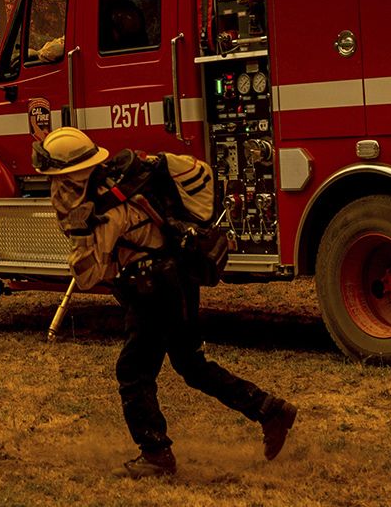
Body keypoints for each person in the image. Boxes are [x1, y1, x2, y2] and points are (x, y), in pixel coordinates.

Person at [34, 126, 296, 478]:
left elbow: (88, 276)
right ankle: (270, 410)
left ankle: (156, 454)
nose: (56, 189)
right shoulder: (124, 183)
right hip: (177, 279)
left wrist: (83, 241)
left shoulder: (108, 208)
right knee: (190, 364)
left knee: (133, 371)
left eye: (57, 179)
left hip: (152, 287)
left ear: (70, 175)